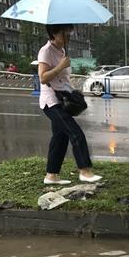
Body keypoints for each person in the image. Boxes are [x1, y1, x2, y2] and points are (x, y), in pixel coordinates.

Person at [37, 24, 101, 185]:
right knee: (76, 133)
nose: (68, 38)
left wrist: (73, 90)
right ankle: (84, 170)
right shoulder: (46, 51)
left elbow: (63, 79)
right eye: (65, 35)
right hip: (51, 102)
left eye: (69, 35)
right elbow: (43, 78)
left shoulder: (61, 51)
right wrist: (60, 66)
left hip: (63, 99)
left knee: (60, 138)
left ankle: (51, 175)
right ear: (54, 33)